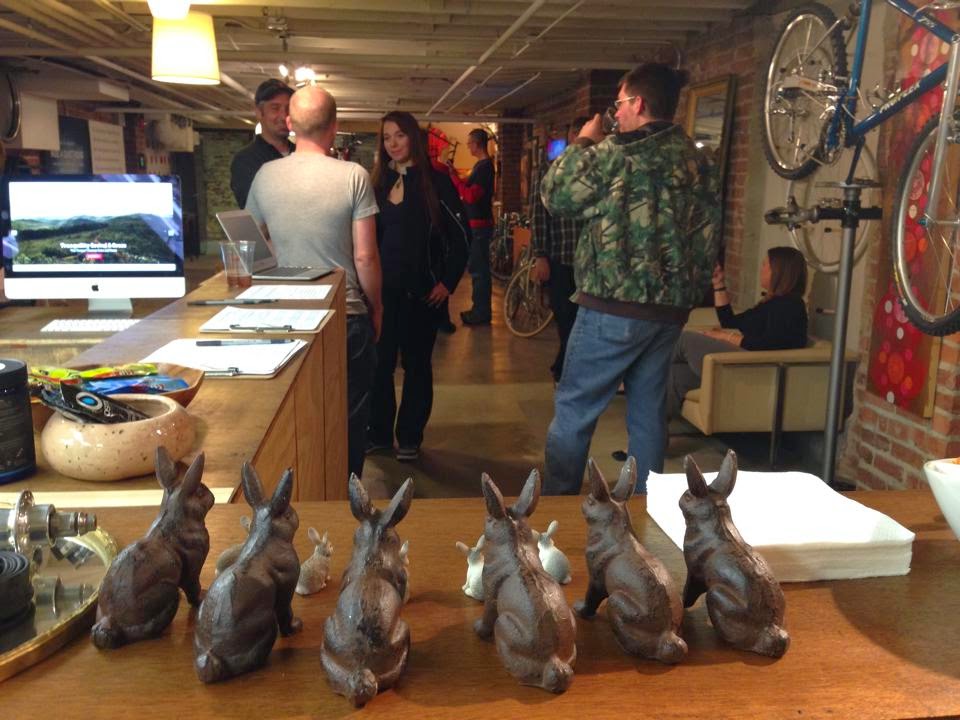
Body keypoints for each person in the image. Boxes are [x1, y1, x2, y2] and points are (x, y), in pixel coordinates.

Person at [540, 62, 720, 495]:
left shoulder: (616, 154)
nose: (615, 114)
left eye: (619, 104)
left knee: (575, 408)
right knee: (647, 413)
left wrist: (584, 140)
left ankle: (558, 507)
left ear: (638, 103)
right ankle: (645, 507)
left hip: (612, 306)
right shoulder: (698, 160)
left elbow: (556, 195)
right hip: (669, 311)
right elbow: (708, 233)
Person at [244, 86, 382, 481]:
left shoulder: (265, 175)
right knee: (349, 416)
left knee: (294, 415)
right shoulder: (354, 176)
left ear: (290, 123)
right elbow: (365, 257)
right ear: (334, 126)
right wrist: (377, 308)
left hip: (285, 316)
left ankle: (300, 492)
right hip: (344, 315)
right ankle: (345, 496)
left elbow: (249, 246)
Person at [366, 111, 471, 462]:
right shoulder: (376, 184)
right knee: (380, 366)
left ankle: (410, 436)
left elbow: (462, 237)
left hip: (421, 295)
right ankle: (379, 434)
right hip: (382, 295)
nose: (393, 143)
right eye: (386, 137)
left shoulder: (436, 182)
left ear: (413, 137)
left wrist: (447, 282)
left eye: (400, 135)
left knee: (417, 367)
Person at [667, 246, 809, 418]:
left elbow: (771, 344)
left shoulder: (790, 306)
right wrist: (718, 283)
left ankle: (641, 362)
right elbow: (730, 322)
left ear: (779, 271)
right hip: (744, 360)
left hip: (755, 369)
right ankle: (655, 432)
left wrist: (727, 337)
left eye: (766, 265)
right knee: (676, 373)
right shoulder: (771, 304)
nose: (761, 269)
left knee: (685, 339)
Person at [530, 117, 590, 383]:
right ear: (574, 136)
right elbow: (539, 215)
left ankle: (565, 368)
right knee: (566, 319)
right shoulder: (552, 170)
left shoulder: (599, 170)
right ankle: (566, 370)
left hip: (591, 263)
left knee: (583, 322)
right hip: (561, 258)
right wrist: (540, 255)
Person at [447, 128, 495, 326]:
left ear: (476, 144)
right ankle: (479, 309)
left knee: (479, 270)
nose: (467, 147)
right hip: (477, 225)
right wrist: (455, 175)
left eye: (469, 143)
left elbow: (471, 195)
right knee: (477, 268)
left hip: (480, 226)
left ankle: (481, 312)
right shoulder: (481, 166)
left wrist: (454, 179)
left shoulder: (485, 167)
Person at [230, 79, 295, 208]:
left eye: (288, 109)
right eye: (275, 108)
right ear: (259, 113)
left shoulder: (301, 153)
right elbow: (254, 207)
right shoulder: (245, 160)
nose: (284, 116)